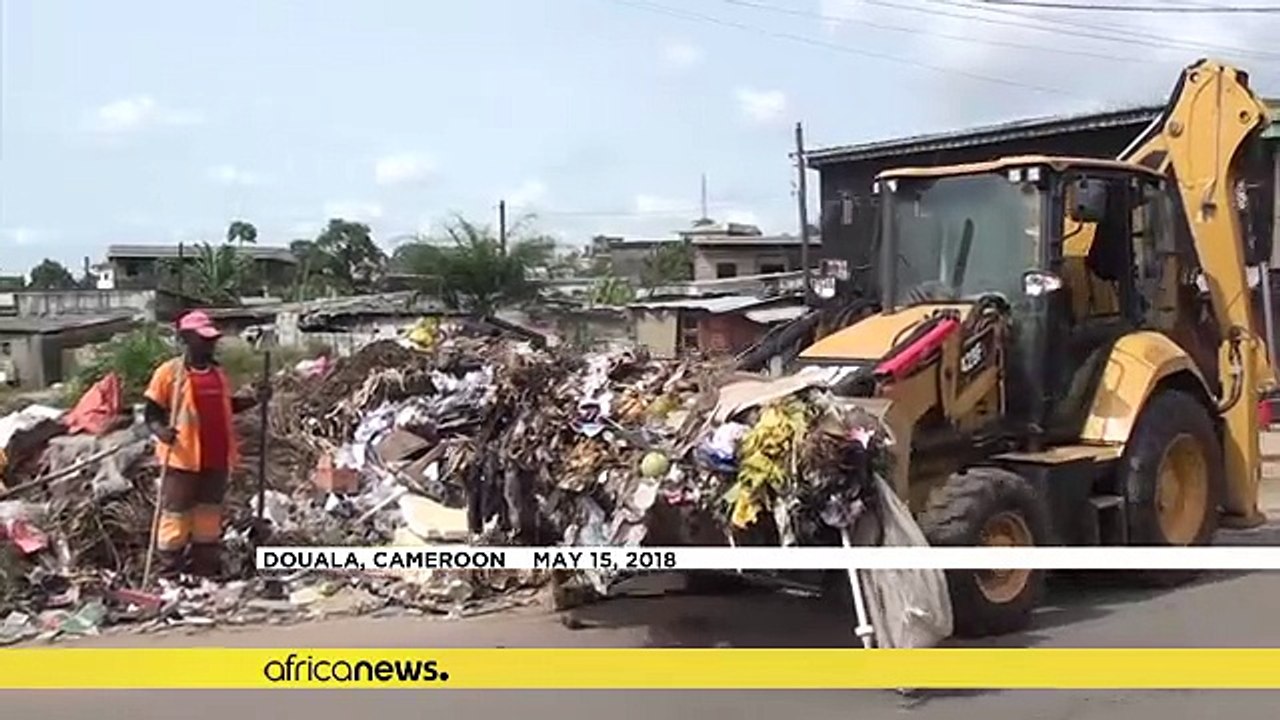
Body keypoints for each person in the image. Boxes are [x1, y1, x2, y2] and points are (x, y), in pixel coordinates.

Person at [143, 310, 269, 579]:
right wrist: (161, 432)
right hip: (182, 457)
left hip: (216, 456)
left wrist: (254, 399)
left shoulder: (217, 373)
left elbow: (227, 406)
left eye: (211, 340)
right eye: (203, 339)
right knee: (176, 515)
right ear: (187, 339)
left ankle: (205, 569)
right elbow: (151, 413)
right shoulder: (169, 373)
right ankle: (169, 572)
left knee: (209, 516)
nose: (209, 344)